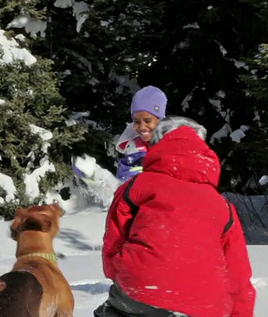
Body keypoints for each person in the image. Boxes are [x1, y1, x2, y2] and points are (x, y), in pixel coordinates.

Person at [94, 116, 256, 317]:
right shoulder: (223, 205)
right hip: (207, 304)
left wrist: (120, 274)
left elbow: (114, 241)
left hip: (142, 289)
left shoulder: (138, 186)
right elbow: (238, 273)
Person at [114, 86, 168, 183]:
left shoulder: (173, 144)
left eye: (148, 121)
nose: (142, 127)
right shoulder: (135, 148)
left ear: (160, 120)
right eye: (136, 122)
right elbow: (124, 178)